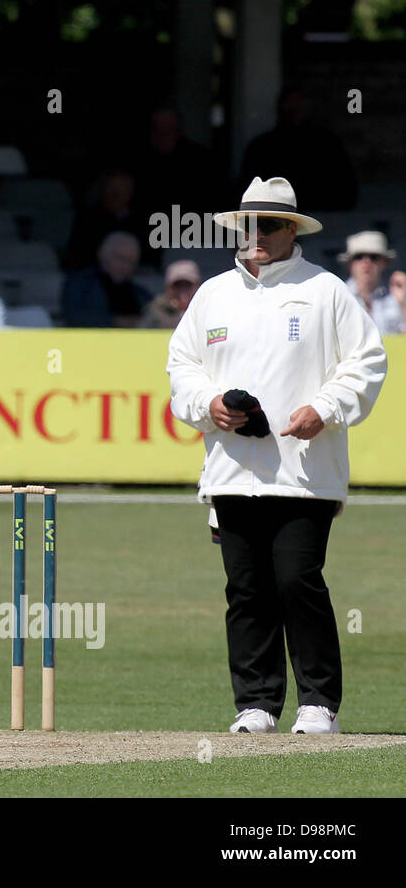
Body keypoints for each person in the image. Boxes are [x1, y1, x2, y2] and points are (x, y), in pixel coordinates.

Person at [167, 176, 386, 735]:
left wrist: (325, 407)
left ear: (292, 230)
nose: (256, 235)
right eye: (248, 224)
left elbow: (365, 364)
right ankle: (257, 705)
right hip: (232, 469)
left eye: (268, 225)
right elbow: (182, 370)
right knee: (246, 590)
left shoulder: (326, 290)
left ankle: (318, 704)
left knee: (296, 581)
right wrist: (208, 403)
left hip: (304, 469)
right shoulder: (213, 294)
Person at [239, 87, 357, 211]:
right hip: (276, 219)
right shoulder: (261, 147)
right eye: (290, 108)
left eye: (299, 107)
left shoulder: (327, 143)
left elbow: (346, 190)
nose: (294, 113)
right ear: (280, 109)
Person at [61, 230, 152, 327]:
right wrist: (117, 322)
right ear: (103, 254)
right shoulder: (80, 284)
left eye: (131, 262)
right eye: (121, 258)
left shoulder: (140, 293)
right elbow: (75, 318)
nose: (125, 266)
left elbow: (155, 318)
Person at [340, 230, 405, 336]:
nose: (367, 262)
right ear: (350, 262)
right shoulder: (338, 296)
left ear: (384, 262)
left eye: (374, 257)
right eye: (359, 256)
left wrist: (403, 305)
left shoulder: (396, 298)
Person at [139, 258, 201, 329]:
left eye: (188, 285)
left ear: (198, 286)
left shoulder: (207, 310)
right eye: (177, 285)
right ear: (167, 288)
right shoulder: (154, 312)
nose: (183, 290)